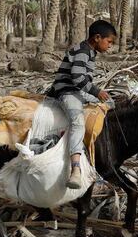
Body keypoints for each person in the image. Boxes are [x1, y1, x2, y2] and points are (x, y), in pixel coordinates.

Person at [47, 20, 116, 189]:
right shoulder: (83, 51)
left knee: (111, 103)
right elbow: (78, 78)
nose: (110, 46)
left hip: (78, 91)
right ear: (97, 38)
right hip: (68, 92)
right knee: (77, 123)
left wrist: (97, 94)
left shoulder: (90, 52)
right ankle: (75, 169)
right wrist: (96, 92)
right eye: (109, 42)